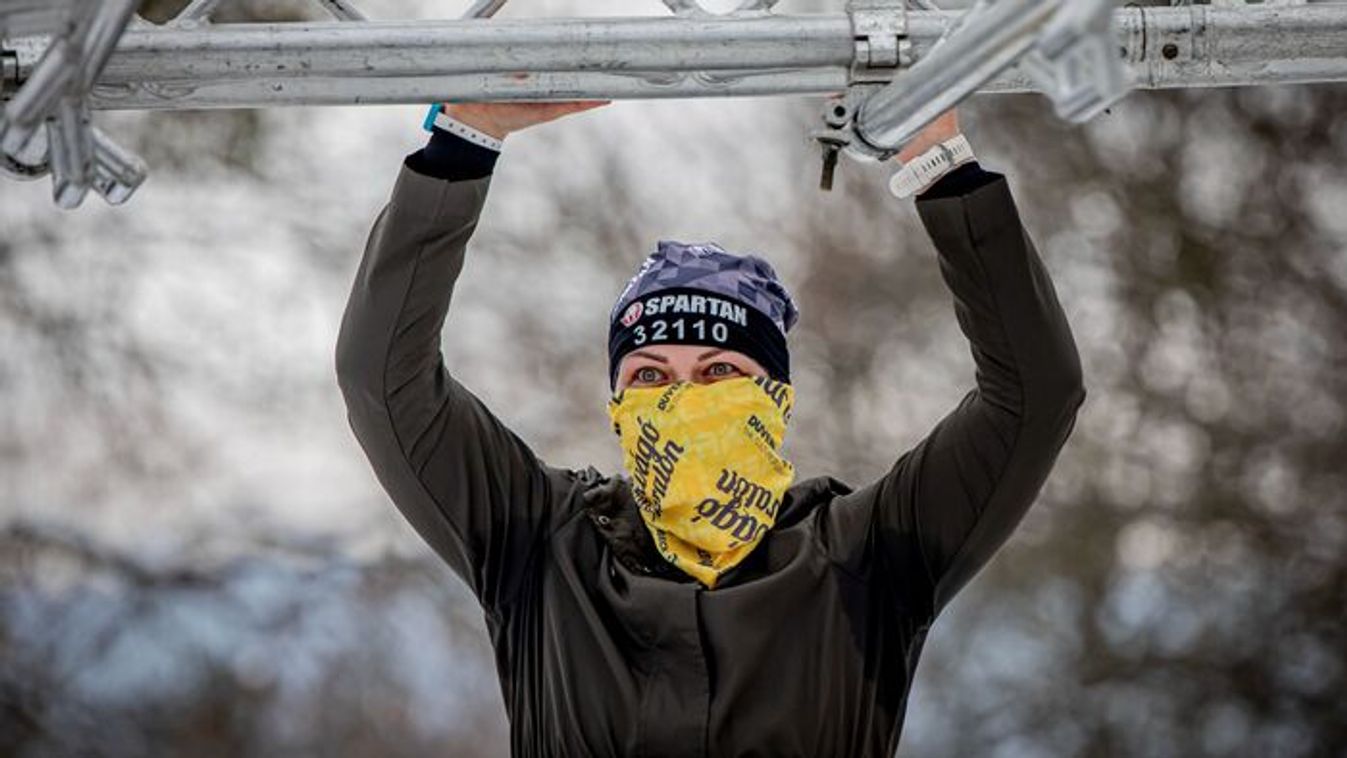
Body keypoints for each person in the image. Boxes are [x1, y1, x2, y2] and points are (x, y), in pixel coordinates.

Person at [335, 98, 1084, 757]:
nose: (684, 398)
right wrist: (462, 143)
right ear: (617, 407)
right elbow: (382, 381)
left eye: (720, 373)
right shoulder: (543, 546)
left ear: (776, 400)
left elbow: (1035, 394)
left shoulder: (865, 558)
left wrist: (939, 164)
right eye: (651, 377)